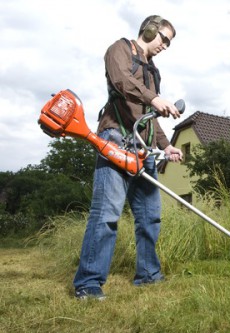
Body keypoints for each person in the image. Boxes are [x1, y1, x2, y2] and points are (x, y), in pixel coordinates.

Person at [73, 15, 183, 300]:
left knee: (150, 217)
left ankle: (148, 275)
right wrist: (154, 98)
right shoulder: (119, 50)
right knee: (106, 214)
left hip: (144, 151)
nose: (165, 46)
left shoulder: (153, 71)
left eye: (170, 43)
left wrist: (166, 145)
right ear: (148, 30)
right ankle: (88, 283)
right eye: (164, 38)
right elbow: (121, 81)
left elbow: (150, 116)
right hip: (116, 141)